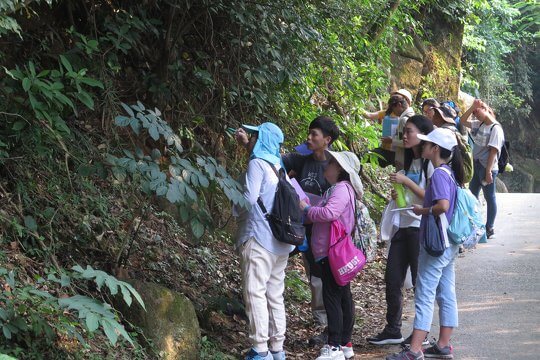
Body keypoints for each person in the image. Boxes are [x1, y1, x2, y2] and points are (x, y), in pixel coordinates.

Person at [386, 127, 464, 360]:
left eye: (427, 144)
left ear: (435, 149)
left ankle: (415, 350)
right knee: (446, 293)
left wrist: (423, 210)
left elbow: (442, 205)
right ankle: (443, 345)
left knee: (425, 294)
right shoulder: (449, 172)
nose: (423, 146)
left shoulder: (439, 174)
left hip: (435, 243)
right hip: (448, 243)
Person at [367, 115, 434, 346]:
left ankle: (421, 334)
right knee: (392, 279)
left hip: (419, 228)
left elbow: (433, 198)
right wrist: (398, 194)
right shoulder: (409, 162)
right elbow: (410, 196)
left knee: (419, 283)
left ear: (423, 135)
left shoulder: (430, 163)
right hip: (402, 226)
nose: (404, 136)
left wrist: (406, 183)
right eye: (404, 132)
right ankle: (393, 329)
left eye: (410, 132)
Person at [233, 122, 294, 360]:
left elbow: (248, 199)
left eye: (256, 135)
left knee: (255, 291)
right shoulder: (279, 167)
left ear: (263, 139)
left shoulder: (257, 164)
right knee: (274, 293)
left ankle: (259, 349)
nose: (253, 138)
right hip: (280, 242)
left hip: (259, 238)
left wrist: (233, 206)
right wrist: (246, 145)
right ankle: (277, 348)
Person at [299, 151, 364, 360]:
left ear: (341, 170)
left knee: (332, 297)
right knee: (343, 295)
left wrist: (307, 208)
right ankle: (345, 343)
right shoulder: (340, 189)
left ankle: (334, 345)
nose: (327, 164)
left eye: (332, 162)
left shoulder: (341, 189)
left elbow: (328, 214)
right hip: (333, 253)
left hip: (331, 253)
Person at [282, 116, 340, 345]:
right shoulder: (302, 158)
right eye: (309, 133)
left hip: (326, 231)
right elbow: (275, 161)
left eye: (314, 134)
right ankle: (320, 318)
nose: (309, 137)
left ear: (327, 140)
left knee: (323, 274)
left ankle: (328, 321)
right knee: (313, 273)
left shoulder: (335, 165)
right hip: (302, 228)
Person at [459, 99, 505, 239]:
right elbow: (462, 120)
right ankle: (475, 225)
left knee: (489, 197)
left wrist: (488, 172)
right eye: (473, 112)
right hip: (477, 165)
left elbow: (493, 151)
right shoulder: (478, 125)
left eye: (477, 111)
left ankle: (489, 227)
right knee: (472, 196)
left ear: (485, 109)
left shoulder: (495, 128)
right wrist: (472, 106)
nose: (474, 114)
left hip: (487, 168)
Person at [365, 89, 415, 170]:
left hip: (400, 155)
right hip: (388, 150)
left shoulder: (405, 119)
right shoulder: (390, 114)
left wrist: (392, 141)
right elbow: (370, 115)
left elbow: (409, 143)